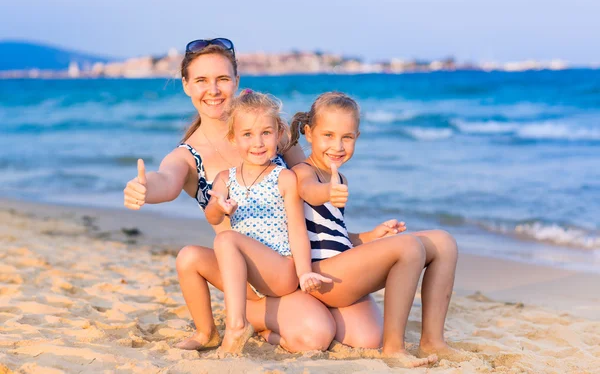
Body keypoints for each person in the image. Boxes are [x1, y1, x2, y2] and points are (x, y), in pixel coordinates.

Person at [123, 38, 336, 353]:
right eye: (201, 81)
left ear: (236, 81)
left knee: (318, 336)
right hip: (242, 283)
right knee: (190, 257)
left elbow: (310, 189)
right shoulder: (187, 155)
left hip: (285, 268)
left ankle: (260, 323)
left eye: (222, 79)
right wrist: (143, 188)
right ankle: (207, 331)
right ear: (186, 85)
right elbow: (166, 181)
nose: (213, 89)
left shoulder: (270, 134)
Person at [290, 92, 459, 367]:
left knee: (443, 241)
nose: (338, 145)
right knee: (408, 247)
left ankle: (433, 339)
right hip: (320, 275)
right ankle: (394, 349)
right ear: (309, 133)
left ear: (357, 136)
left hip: (342, 266)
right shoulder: (303, 171)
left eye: (347, 137)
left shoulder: (341, 176)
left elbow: (335, 236)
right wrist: (327, 192)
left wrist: (371, 237)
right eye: (328, 135)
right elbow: (309, 191)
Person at [204, 90, 332, 354]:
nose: (258, 142)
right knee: (188, 257)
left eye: (266, 133)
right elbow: (212, 216)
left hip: (280, 271)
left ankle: (236, 325)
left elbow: (297, 229)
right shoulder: (224, 179)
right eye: (247, 134)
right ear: (233, 138)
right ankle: (205, 331)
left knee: (226, 239)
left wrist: (303, 271)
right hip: (249, 276)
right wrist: (218, 208)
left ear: (278, 133)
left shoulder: (284, 178)